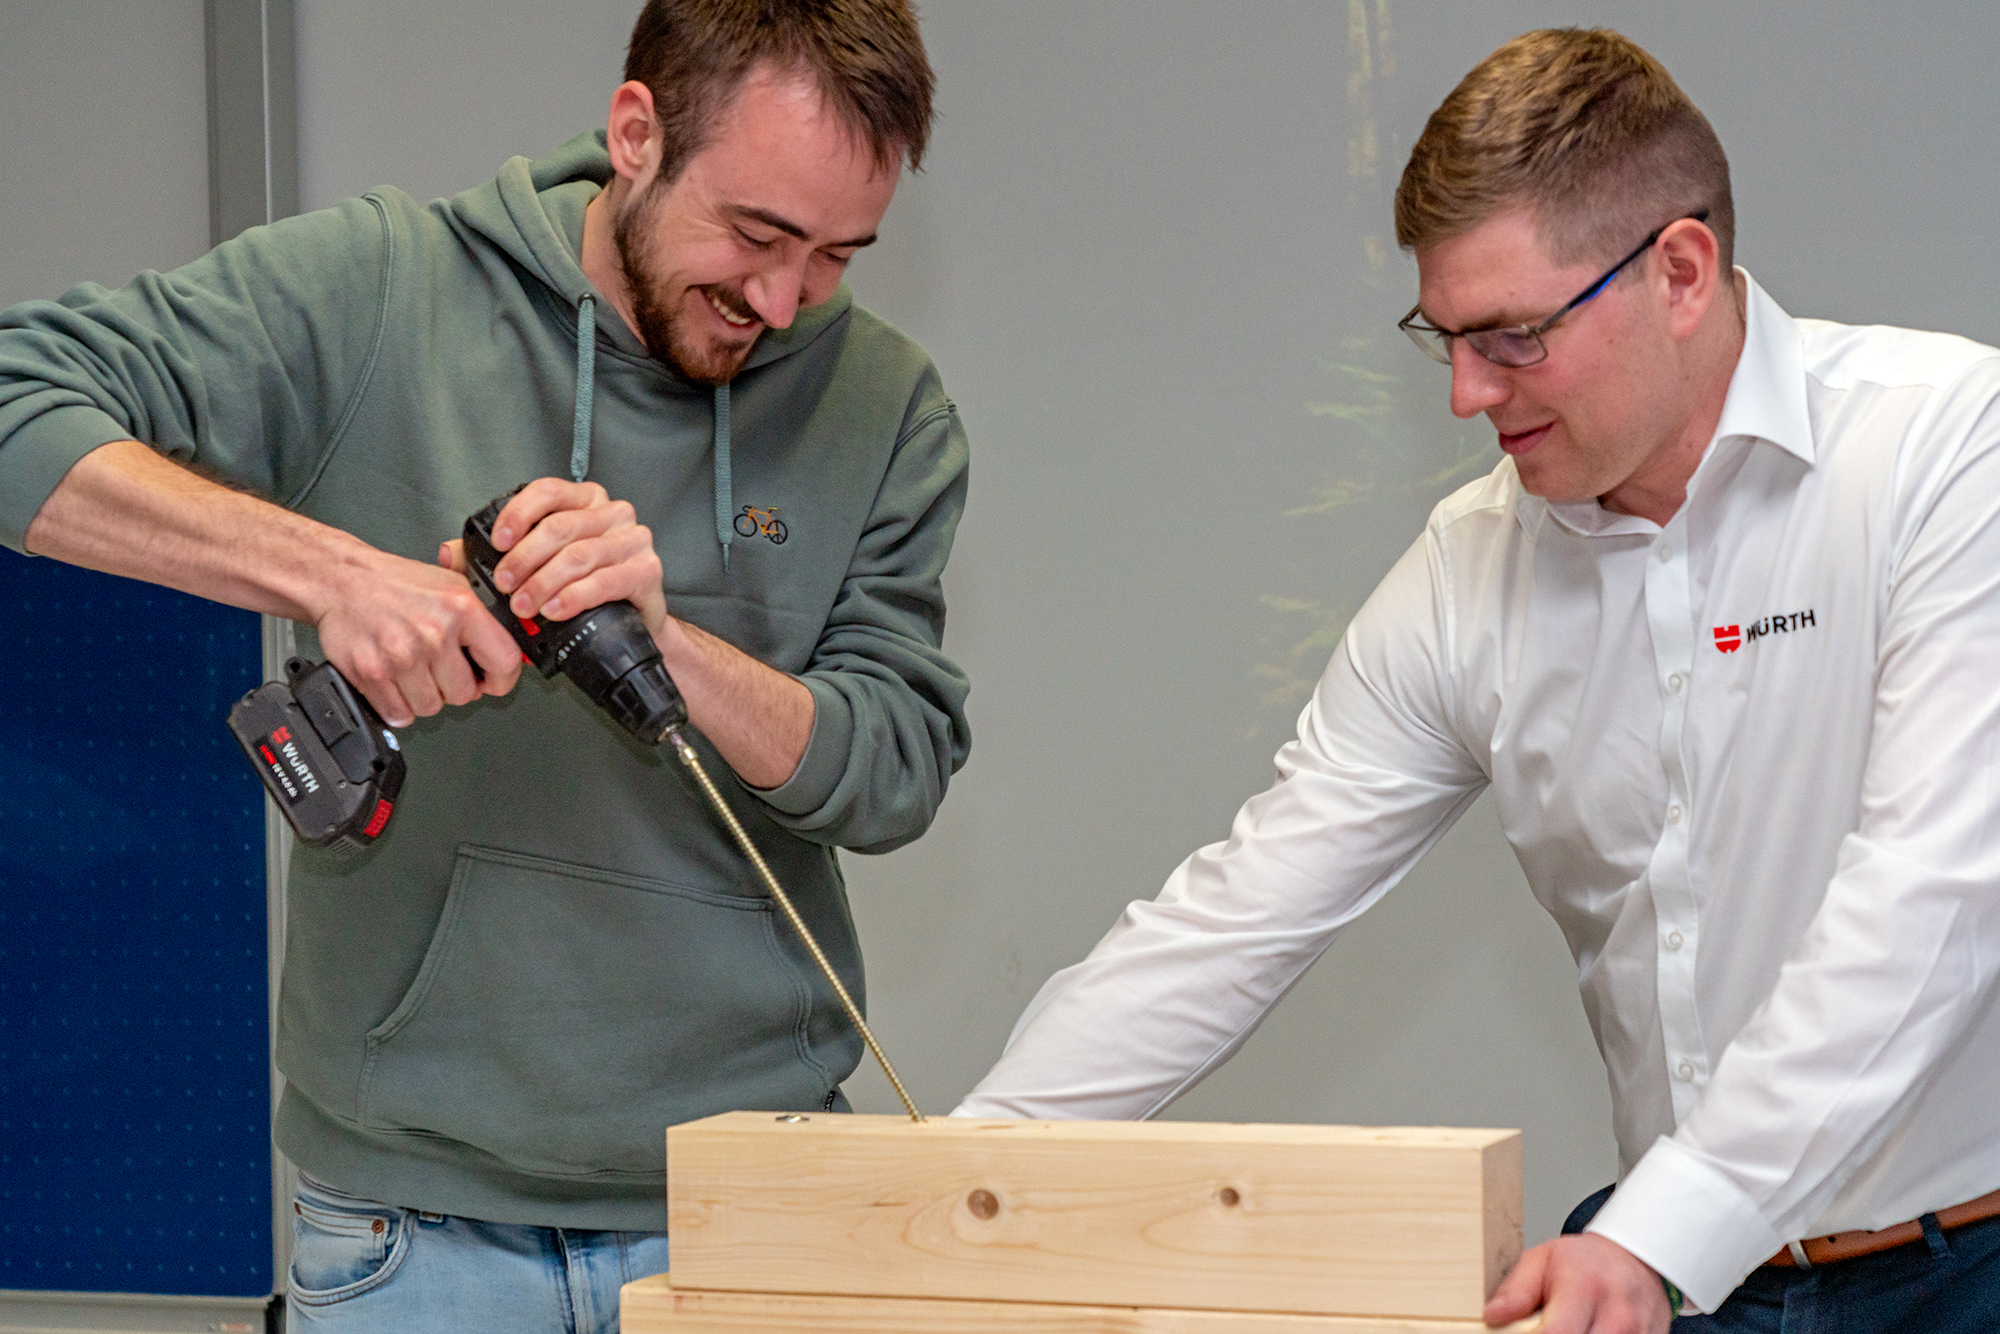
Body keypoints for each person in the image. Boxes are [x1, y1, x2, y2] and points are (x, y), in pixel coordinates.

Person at [955, 27, 2000, 1334]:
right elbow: (1237, 918)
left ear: (1679, 272)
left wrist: (1660, 1230)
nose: (1463, 394)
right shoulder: (1470, 570)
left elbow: (1933, 895)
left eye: (1510, 337)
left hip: (1963, 1265)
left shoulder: (1946, 449)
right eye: (1442, 337)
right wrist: (957, 1175)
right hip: (1679, 1283)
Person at [0, 0, 969, 1327]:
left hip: (750, 1210)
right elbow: (16, 399)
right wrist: (334, 576)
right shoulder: (383, 288)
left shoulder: (887, 405)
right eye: (755, 235)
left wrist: (668, 644)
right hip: (413, 1235)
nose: (780, 300)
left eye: (835, 256)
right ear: (637, 133)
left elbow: (897, 767)